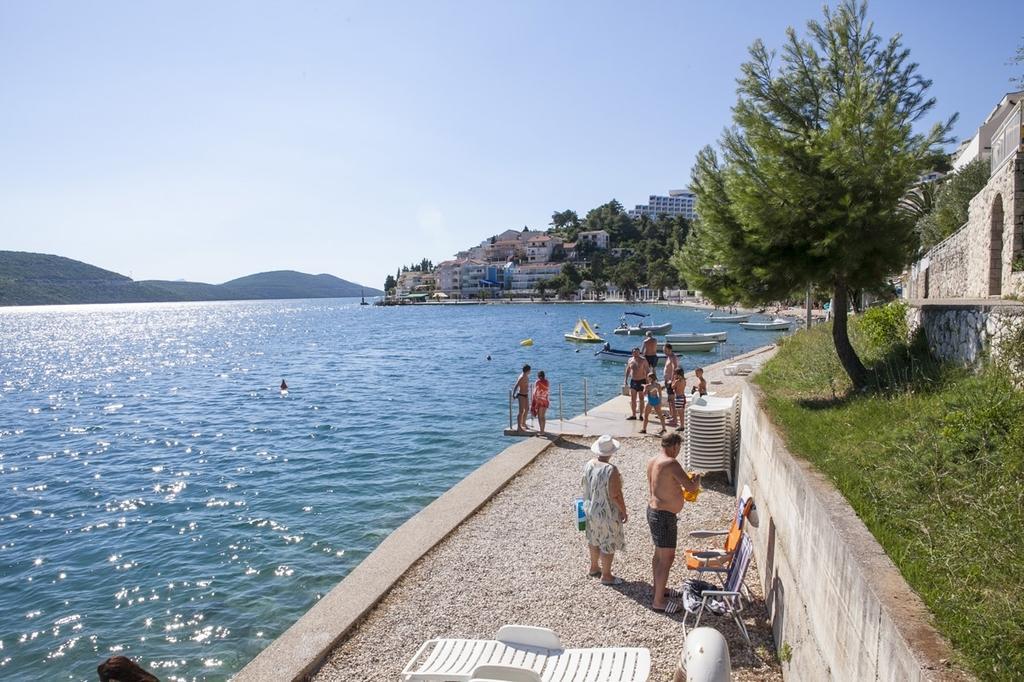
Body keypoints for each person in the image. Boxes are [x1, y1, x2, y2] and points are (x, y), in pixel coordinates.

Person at [646, 432, 701, 612]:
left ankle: (658, 589)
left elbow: (658, 486)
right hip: (664, 516)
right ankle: (658, 602)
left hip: (653, 511)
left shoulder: (653, 460)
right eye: (679, 448)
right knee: (666, 558)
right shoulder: (671, 463)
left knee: (659, 554)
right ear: (675, 446)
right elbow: (690, 487)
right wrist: (696, 480)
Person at [582, 435, 628, 585]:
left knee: (594, 538)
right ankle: (607, 576)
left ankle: (594, 567)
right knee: (607, 542)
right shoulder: (611, 470)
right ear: (612, 452)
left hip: (590, 507)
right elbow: (615, 494)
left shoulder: (589, 464)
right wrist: (623, 510)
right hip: (606, 511)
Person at [623, 349, 650, 420]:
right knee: (633, 399)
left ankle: (641, 415)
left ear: (639, 353)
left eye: (637, 352)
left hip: (642, 381)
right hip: (633, 381)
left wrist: (648, 382)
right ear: (632, 353)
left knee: (641, 399)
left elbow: (647, 371)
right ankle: (634, 415)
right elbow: (628, 370)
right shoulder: (630, 360)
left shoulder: (643, 360)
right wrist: (625, 380)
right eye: (634, 352)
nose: (636, 354)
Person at [662, 343, 680, 426]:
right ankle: (672, 416)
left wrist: (672, 380)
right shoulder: (668, 357)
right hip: (667, 381)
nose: (664, 351)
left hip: (670, 381)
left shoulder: (673, 357)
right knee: (669, 400)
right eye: (663, 350)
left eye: (665, 350)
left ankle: (675, 419)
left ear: (669, 349)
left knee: (672, 400)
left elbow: (675, 369)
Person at [512, 365, 531, 432]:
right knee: (521, 411)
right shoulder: (522, 377)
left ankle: (523, 423)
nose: (530, 372)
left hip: (526, 394)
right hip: (521, 395)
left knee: (527, 409)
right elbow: (516, 385)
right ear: (527, 370)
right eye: (530, 370)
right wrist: (513, 394)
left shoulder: (526, 376)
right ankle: (519, 427)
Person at [531, 371, 550, 435]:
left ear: (538, 376)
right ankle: (543, 430)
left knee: (539, 416)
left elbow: (535, 392)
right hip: (545, 400)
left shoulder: (537, 382)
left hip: (539, 400)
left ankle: (542, 431)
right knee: (543, 416)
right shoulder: (547, 382)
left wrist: (533, 401)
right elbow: (547, 390)